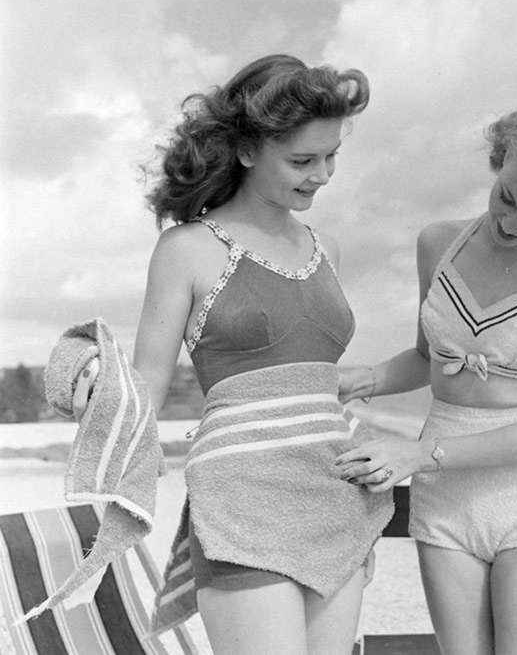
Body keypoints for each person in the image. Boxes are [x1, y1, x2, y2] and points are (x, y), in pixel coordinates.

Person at [78, 54, 392, 655]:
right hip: (241, 499)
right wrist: (92, 385)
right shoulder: (187, 248)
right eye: (302, 160)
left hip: (335, 492)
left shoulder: (326, 247)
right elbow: (147, 384)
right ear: (247, 150)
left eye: (331, 157)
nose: (322, 175)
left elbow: (315, 377)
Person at [336, 107, 517, 654]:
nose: (512, 223)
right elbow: (428, 358)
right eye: (507, 198)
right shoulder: (437, 244)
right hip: (444, 497)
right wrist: (362, 379)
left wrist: (418, 454)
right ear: (500, 162)